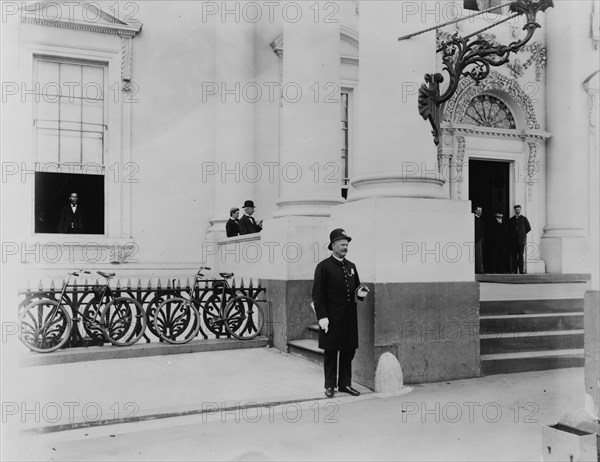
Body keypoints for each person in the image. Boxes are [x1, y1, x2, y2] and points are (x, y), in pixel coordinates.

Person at [312, 228, 369, 398]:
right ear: (333, 245)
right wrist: (322, 316)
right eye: (342, 244)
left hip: (349, 318)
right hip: (331, 318)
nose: (345, 247)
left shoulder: (351, 266)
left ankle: (345, 384)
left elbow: (356, 287)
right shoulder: (323, 267)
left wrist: (360, 293)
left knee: (348, 351)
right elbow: (317, 295)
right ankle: (329, 386)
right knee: (331, 352)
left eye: (347, 244)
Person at [508, 205, 531, 274]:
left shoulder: (524, 219)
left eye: (518, 209)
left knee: (521, 255)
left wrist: (522, 234)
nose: (517, 211)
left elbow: (528, 228)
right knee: (514, 255)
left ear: (520, 210)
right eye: (516, 210)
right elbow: (509, 229)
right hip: (514, 241)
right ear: (514, 210)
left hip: (521, 241)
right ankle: (514, 270)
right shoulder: (511, 219)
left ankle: (521, 270)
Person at [474, 206, 485, 274]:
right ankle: (479, 269)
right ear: (475, 211)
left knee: (480, 255)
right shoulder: (474, 219)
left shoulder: (480, 219)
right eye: (478, 210)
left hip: (480, 239)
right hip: (477, 239)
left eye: (481, 210)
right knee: (478, 255)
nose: (480, 212)